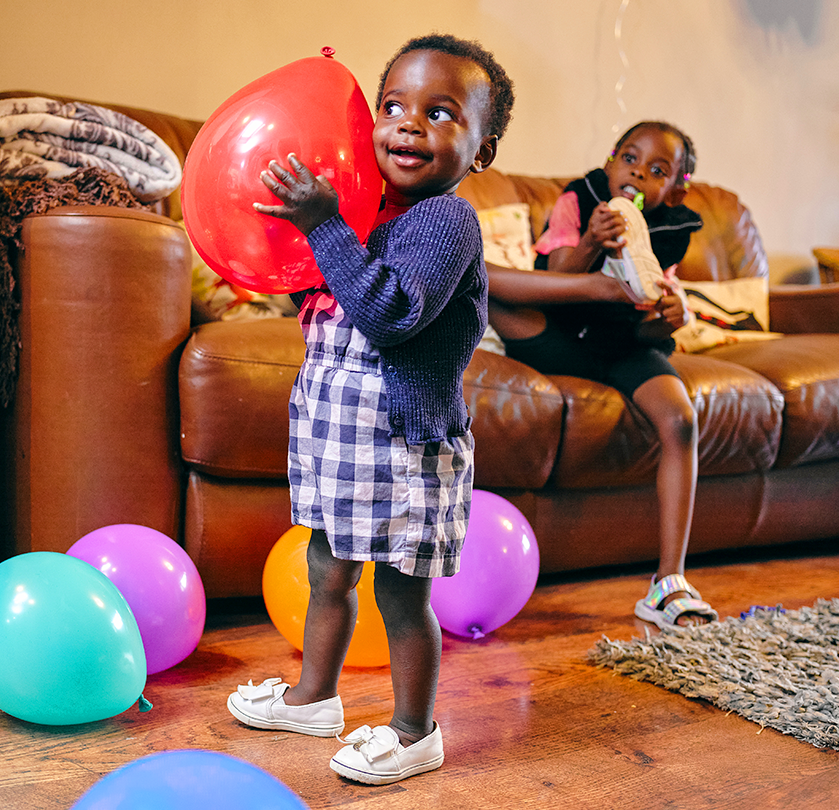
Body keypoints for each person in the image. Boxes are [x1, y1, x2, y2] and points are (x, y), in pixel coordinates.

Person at [225, 33, 514, 785]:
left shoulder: (443, 224)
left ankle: (416, 732)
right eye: (394, 105)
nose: (409, 124)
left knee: (399, 589)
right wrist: (300, 235)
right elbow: (324, 298)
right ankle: (313, 699)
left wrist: (323, 226)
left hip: (403, 445)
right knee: (326, 566)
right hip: (337, 435)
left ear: (482, 151)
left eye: (442, 113)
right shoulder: (357, 213)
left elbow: (388, 313)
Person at [486, 120, 719, 631]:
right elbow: (554, 275)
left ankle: (669, 582)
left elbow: (664, 291)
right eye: (630, 159)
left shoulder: (675, 228)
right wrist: (593, 242)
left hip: (624, 345)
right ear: (611, 159)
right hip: (560, 334)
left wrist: (675, 310)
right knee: (486, 289)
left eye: (657, 171)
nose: (637, 173)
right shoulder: (579, 199)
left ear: (676, 188)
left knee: (680, 420)